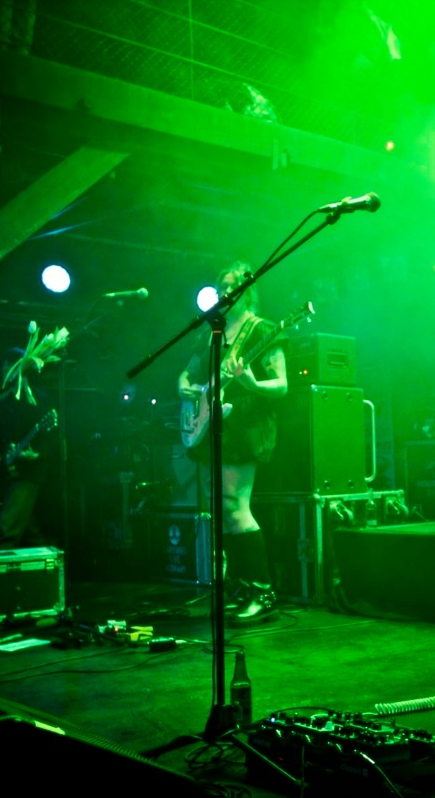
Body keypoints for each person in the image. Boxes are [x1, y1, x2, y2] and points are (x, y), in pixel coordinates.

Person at [178, 263, 288, 626]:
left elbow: (282, 385)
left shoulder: (262, 330)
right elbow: (188, 373)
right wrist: (185, 386)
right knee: (222, 510)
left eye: (232, 284)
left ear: (248, 290)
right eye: (221, 285)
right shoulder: (212, 330)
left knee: (234, 505)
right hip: (214, 422)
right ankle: (240, 587)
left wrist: (252, 384)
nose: (226, 290)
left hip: (246, 424)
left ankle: (262, 591)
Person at [0, 348, 58, 550]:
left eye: (11, 364)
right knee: (30, 533)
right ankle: (48, 564)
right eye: (4, 365)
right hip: (7, 470)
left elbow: (52, 436)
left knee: (4, 531)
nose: (6, 369)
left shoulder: (38, 398)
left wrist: (37, 454)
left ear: (23, 368)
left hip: (28, 473)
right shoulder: (1, 399)